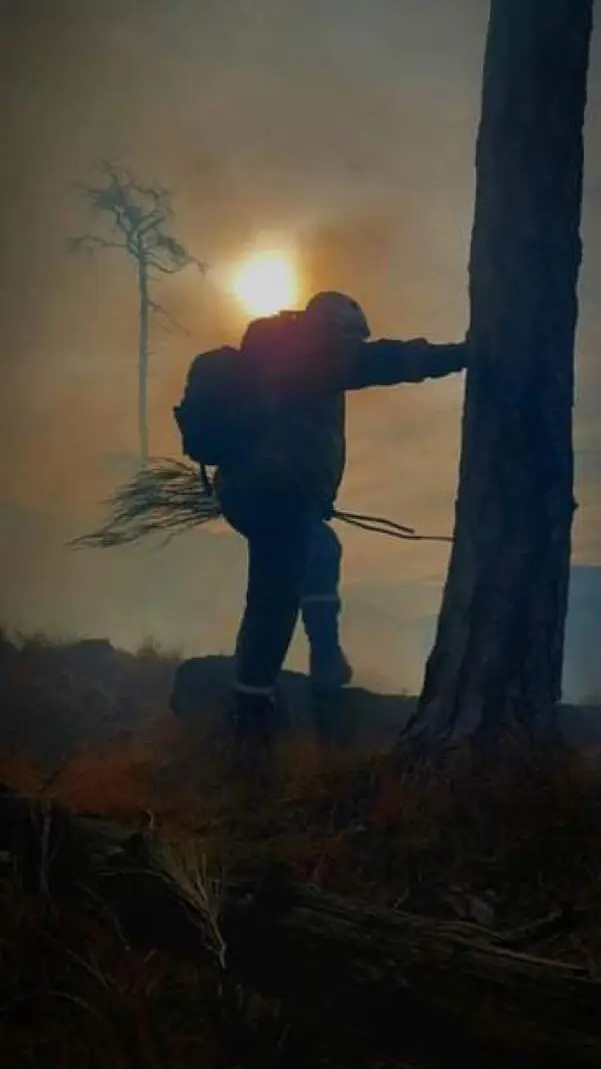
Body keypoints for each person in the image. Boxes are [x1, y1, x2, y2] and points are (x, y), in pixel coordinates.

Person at [214, 291, 467, 751]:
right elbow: (389, 361)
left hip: (261, 494)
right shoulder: (314, 357)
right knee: (273, 600)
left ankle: (323, 659)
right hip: (277, 499)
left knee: (320, 550)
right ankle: (251, 713)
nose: (355, 348)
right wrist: (461, 355)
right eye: (352, 339)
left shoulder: (287, 356)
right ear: (334, 331)